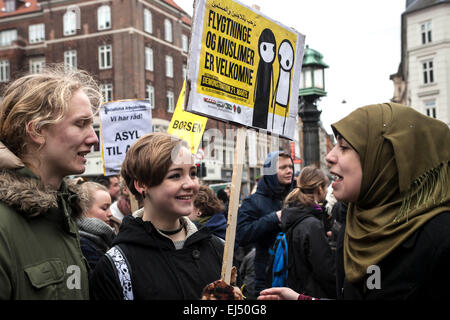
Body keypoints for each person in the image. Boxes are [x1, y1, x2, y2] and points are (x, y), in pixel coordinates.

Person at [259, 102, 450, 300]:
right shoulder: (355, 224)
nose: (330, 157)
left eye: (344, 147)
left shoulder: (440, 237)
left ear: (384, 159)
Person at [0, 65, 101, 299]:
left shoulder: (64, 214)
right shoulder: (4, 225)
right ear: (36, 131)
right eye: (81, 123)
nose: (94, 138)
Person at [89, 132, 225, 300]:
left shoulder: (218, 249)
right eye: (175, 175)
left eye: (193, 173)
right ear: (142, 184)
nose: (190, 184)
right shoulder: (117, 266)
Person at [236, 151, 295, 295]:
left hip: (295, 271)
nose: (289, 171)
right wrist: (274, 218)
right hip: (266, 273)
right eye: (283, 167)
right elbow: (242, 234)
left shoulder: (297, 196)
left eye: (290, 166)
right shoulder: (253, 202)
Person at [281, 166, 336, 298]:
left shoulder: (295, 214)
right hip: (313, 292)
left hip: (298, 289)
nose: (328, 191)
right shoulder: (311, 224)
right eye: (326, 186)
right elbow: (325, 270)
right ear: (319, 188)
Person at [77, 181, 115, 271]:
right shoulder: (84, 246)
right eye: (104, 208)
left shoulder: (101, 240)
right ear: (84, 209)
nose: (110, 213)